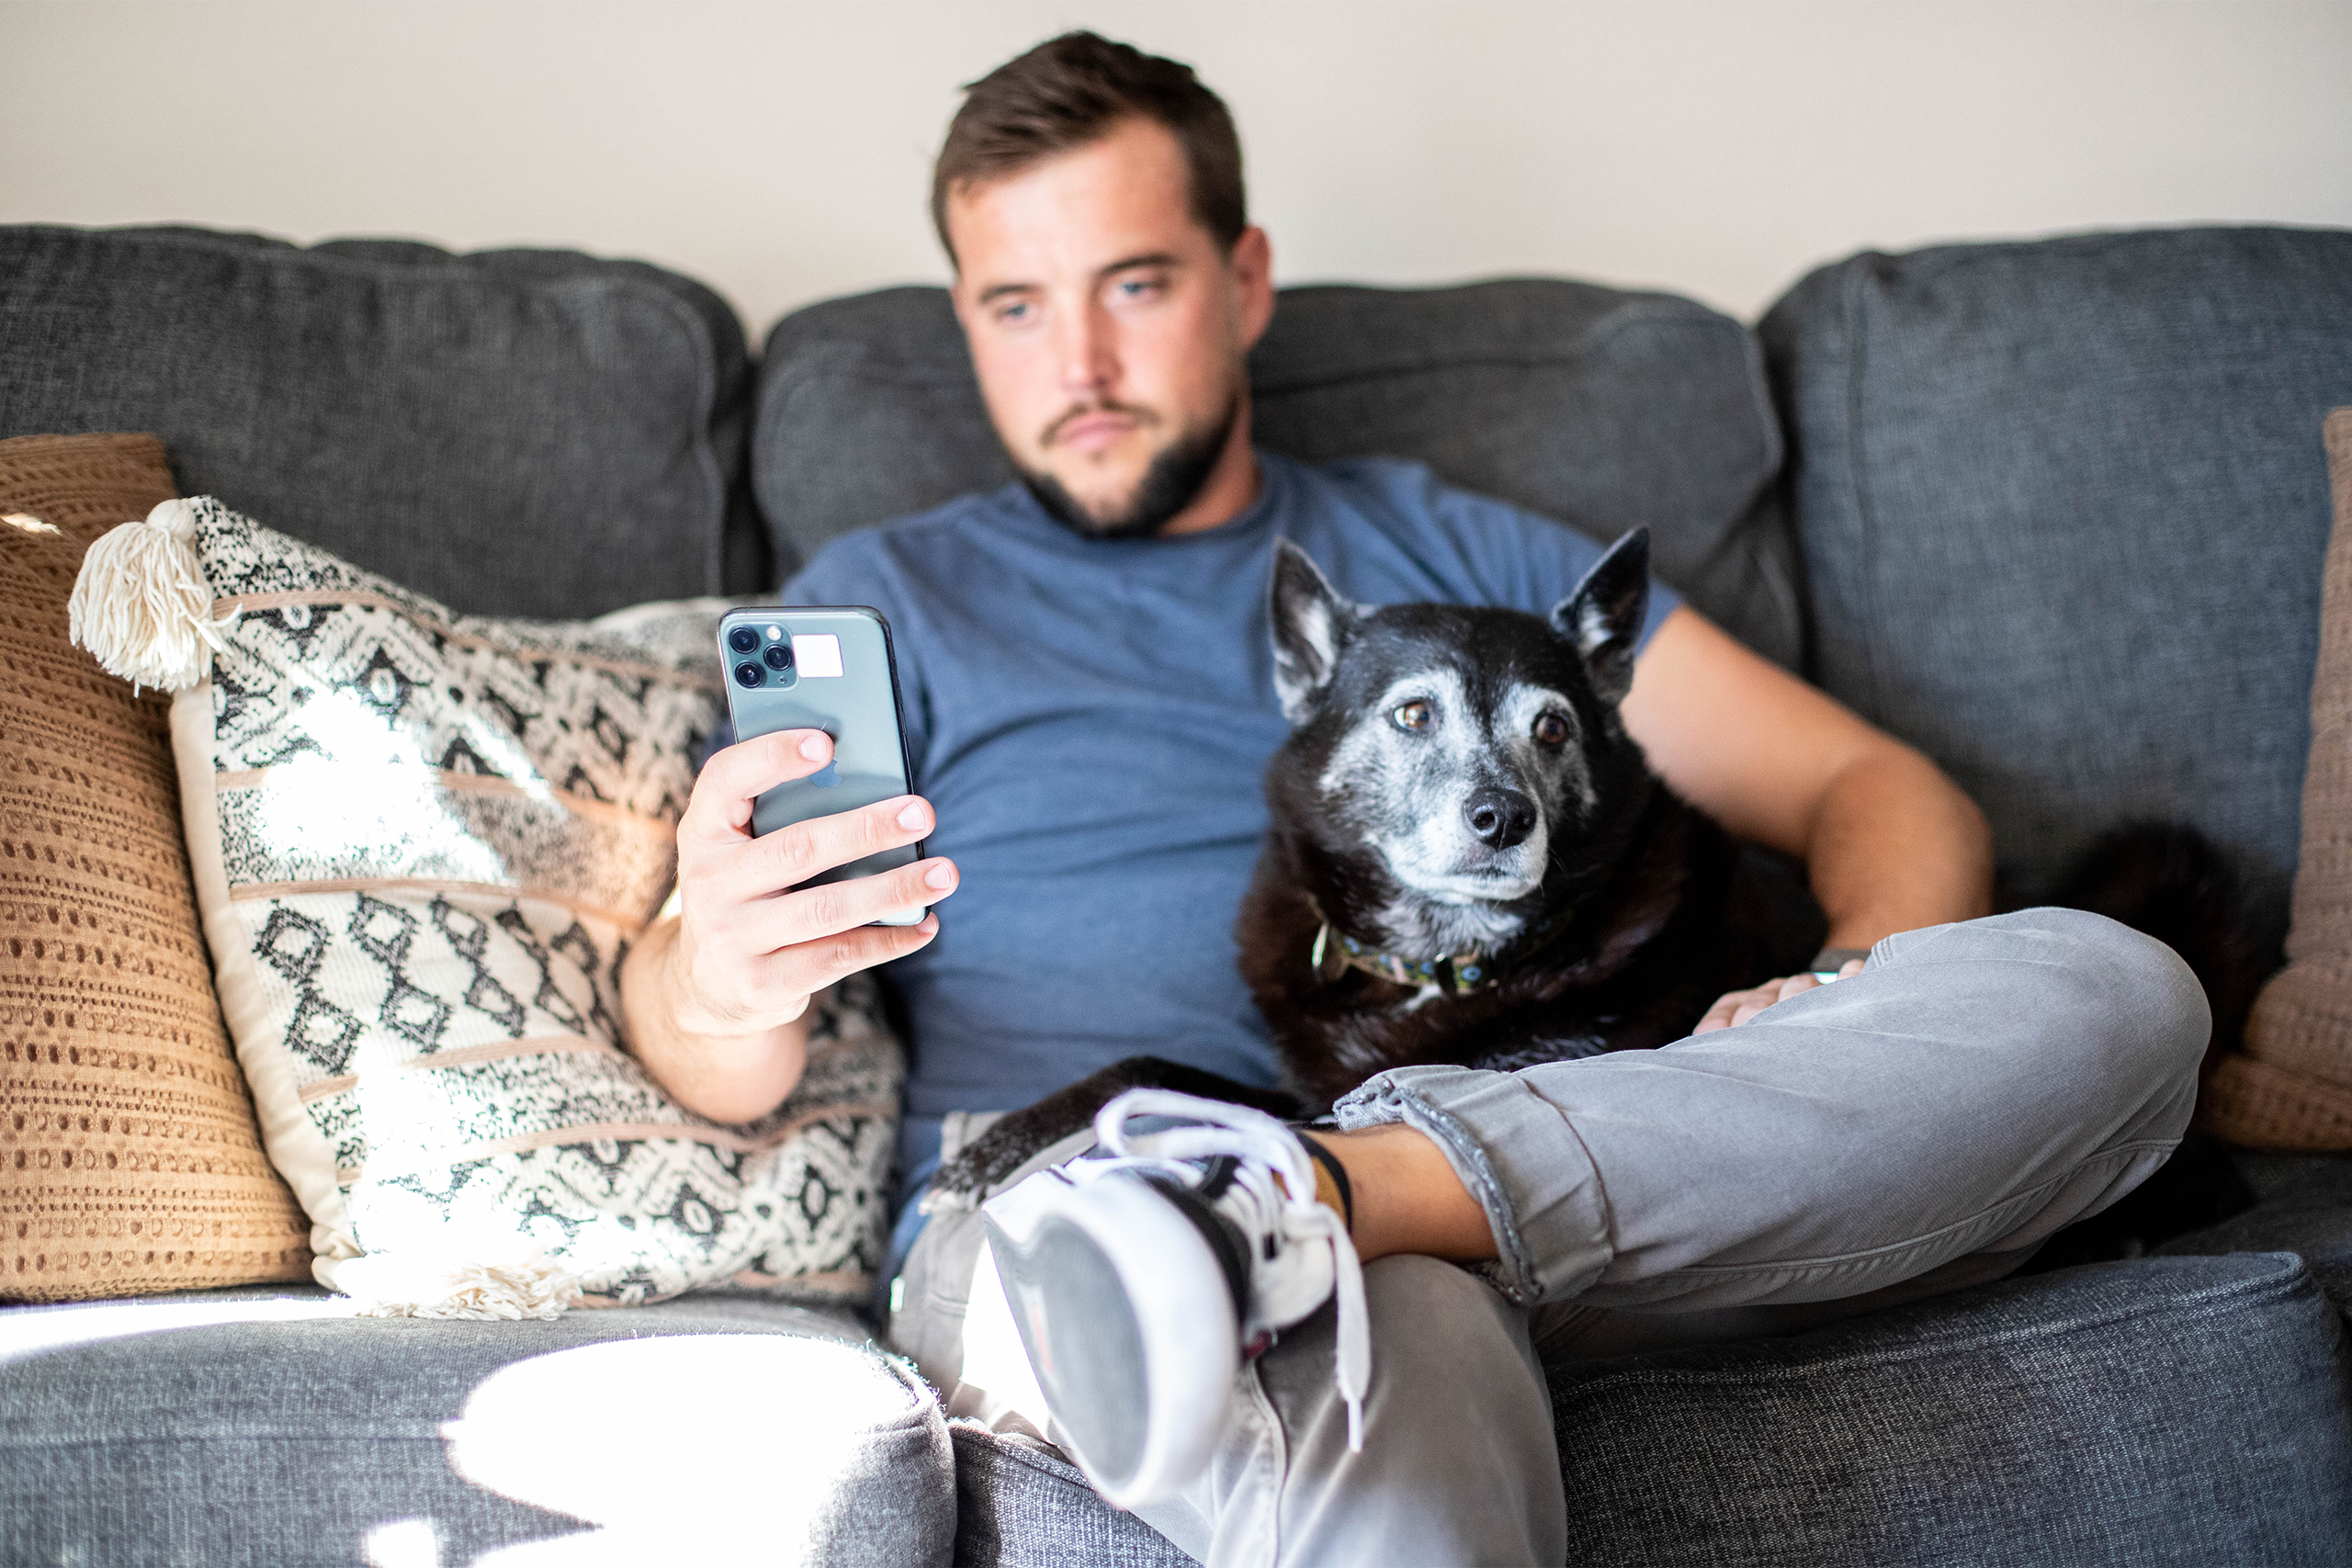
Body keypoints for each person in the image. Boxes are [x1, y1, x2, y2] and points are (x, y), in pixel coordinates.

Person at [618, 32, 2207, 1566]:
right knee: (1406, 1309)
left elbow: (1874, 783)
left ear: (1244, 282)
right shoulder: (893, 600)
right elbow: (717, 1057)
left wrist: (1836, 990)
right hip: (1101, 1192)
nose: (1079, 366)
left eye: (1137, 285)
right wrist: (713, 970)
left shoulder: (1475, 568)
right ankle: (1302, 1210)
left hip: (1595, 1163)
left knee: (2114, 991)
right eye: (1015, 306)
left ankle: (1340, 1186)